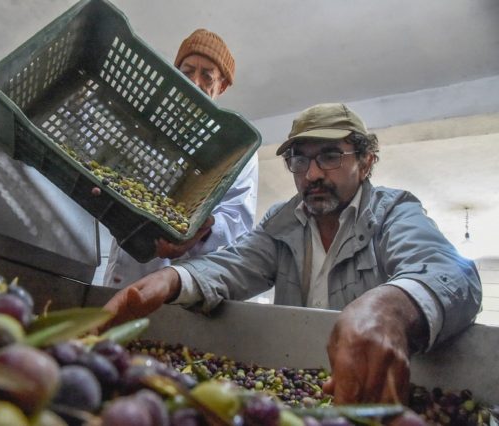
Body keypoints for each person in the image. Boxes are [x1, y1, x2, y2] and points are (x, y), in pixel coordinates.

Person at [103, 103, 482, 404]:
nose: (312, 173)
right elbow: (234, 264)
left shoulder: (393, 212)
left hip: (374, 394)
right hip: (298, 390)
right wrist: (172, 277)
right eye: (300, 160)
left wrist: (391, 310)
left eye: (331, 156)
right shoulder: (283, 222)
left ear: (365, 162)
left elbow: (453, 273)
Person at [103, 29, 259, 287]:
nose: (195, 82)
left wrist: (200, 231)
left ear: (222, 86)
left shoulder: (236, 148)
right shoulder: (147, 125)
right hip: (125, 269)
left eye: (207, 76)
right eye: (187, 72)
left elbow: (237, 220)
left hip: (180, 282)